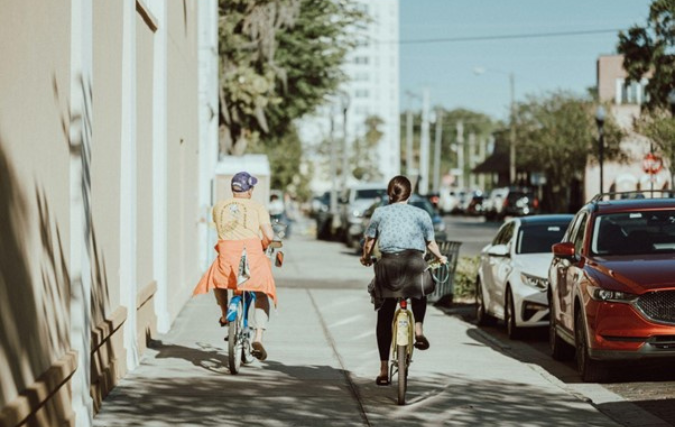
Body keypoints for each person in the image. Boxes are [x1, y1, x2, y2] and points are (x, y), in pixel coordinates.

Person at [360, 175, 447, 386]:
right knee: (420, 289)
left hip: (388, 266)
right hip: (414, 263)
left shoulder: (380, 213)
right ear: (409, 193)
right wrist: (440, 256)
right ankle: (418, 329)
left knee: (384, 315)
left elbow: (369, 242)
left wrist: (365, 258)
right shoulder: (421, 214)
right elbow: (431, 243)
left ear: (390, 193)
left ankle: (382, 370)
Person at [193, 171, 276, 361]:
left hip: (227, 257)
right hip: (251, 258)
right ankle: (259, 336)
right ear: (249, 190)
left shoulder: (218, 207)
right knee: (262, 291)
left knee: (218, 280)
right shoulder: (257, 207)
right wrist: (263, 243)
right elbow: (269, 236)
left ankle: (224, 314)